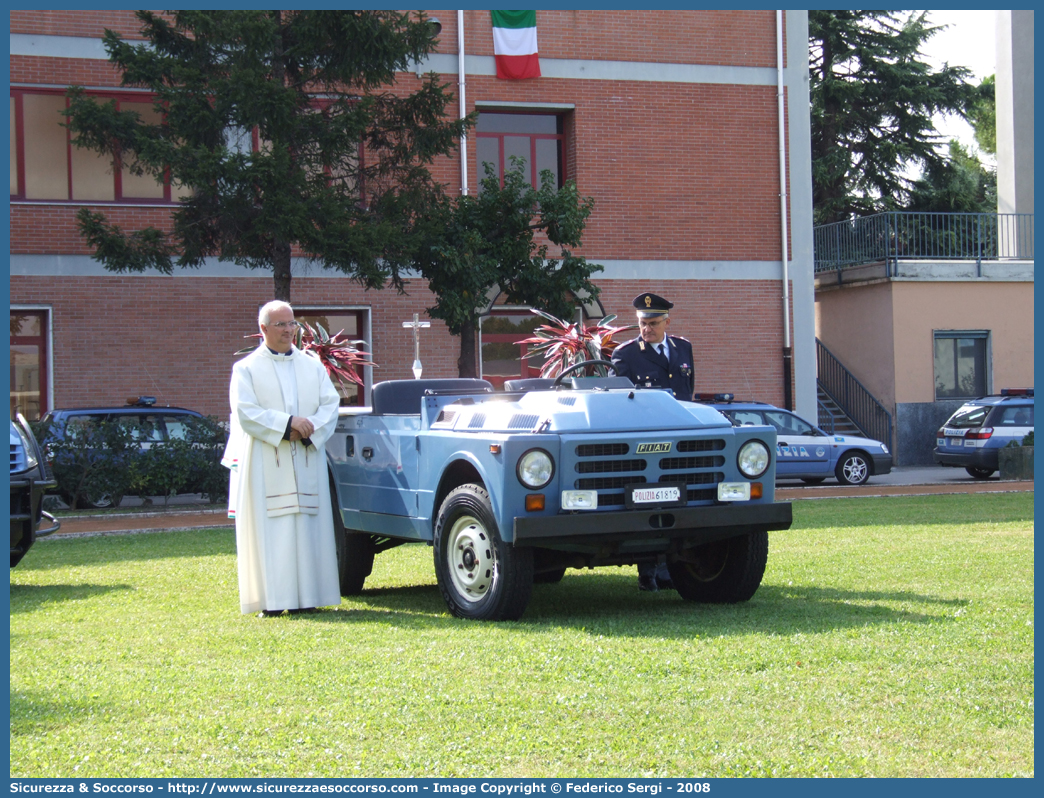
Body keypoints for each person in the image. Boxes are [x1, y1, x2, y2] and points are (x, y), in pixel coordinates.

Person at [223, 300, 342, 617]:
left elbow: (330, 406)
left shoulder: (312, 365)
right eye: (281, 324)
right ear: (263, 329)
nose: (289, 330)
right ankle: (272, 602)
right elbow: (246, 413)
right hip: (266, 459)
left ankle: (309, 598)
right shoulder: (246, 368)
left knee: (307, 527)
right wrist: (286, 425)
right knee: (272, 530)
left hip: (306, 457)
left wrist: (308, 428)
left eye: (292, 324)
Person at [611, 292, 695, 592]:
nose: (647, 329)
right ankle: (649, 571)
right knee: (647, 502)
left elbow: (687, 394)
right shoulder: (626, 354)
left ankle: (675, 567)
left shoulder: (683, 349)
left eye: (653, 323)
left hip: (681, 440)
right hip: (645, 444)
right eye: (642, 323)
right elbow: (619, 402)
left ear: (666, 321)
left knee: (680, 500)